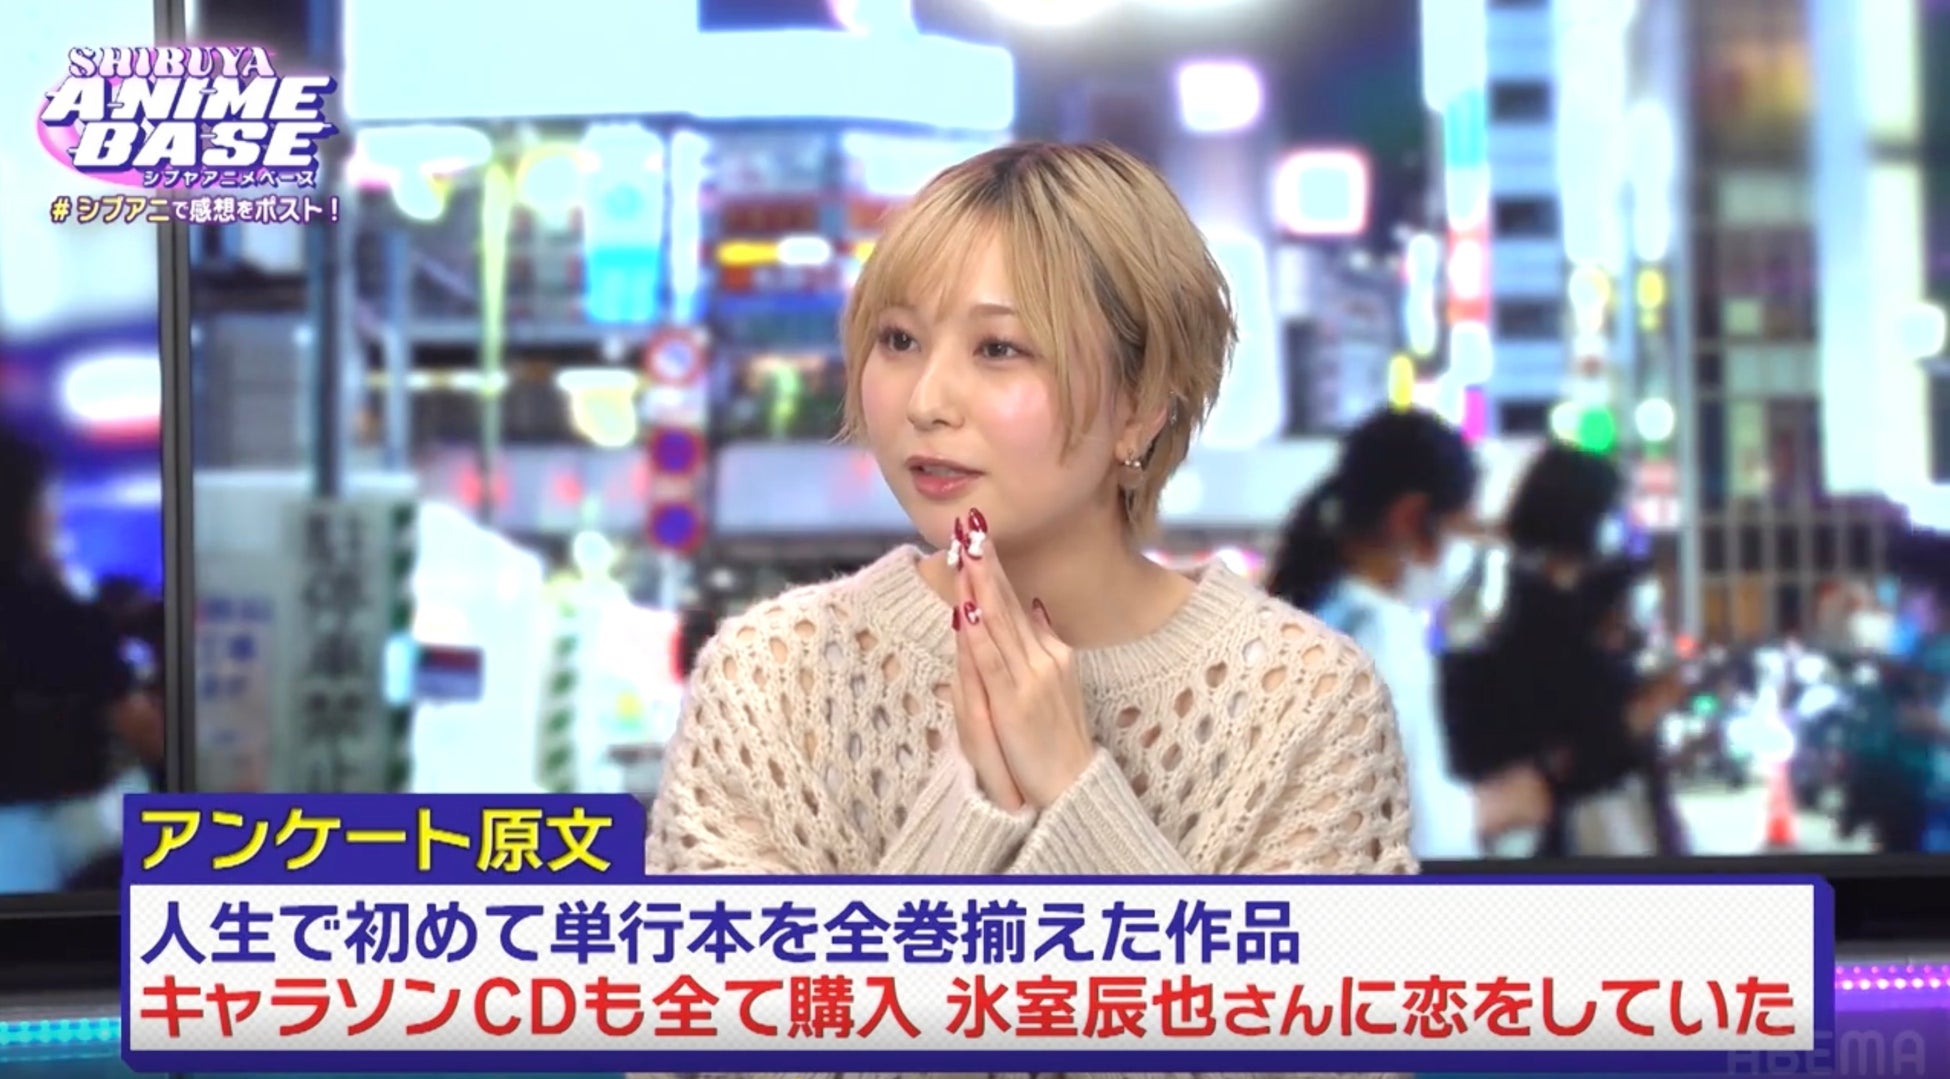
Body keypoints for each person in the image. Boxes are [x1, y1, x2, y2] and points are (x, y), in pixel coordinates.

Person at [646, 142, 1413, 894]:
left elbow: (1312, 982)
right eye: (899, 339)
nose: (926, 402)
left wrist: (1075, 788)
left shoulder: (1307, 702)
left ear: (1142, 405)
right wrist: (976, 808)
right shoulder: (767, 680)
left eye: (999, 348)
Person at [1264, 407, 1551, 859]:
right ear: (1410, 518)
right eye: (1462, 528)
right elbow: (1416, 831)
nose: (1464, 551)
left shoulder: (1314, 616)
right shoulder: (1384, 636)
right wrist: (1501, 804)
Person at [0, 425, 163, 892]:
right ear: (23, 512)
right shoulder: (59, 616)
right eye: (49, 501)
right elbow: (150, 736)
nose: (57, 516)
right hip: (54, 849)